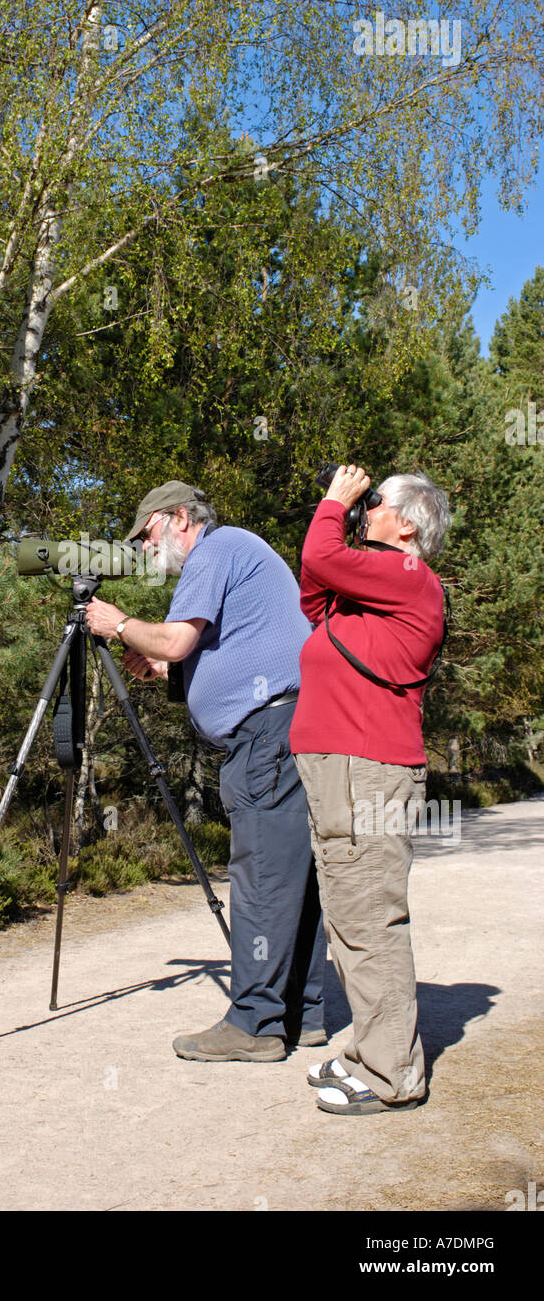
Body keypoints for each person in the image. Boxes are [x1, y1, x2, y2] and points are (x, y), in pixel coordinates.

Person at [84, 480, 326, 1062]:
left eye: (146, 535)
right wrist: (171, 674)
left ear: (177, 518)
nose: (144, 549)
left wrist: (117, 625)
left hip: (266, 737)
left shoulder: (215, 550)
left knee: (262, 877)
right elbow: (223, 655)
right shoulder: (239, 551)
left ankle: (254, 1025)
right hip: (285, 728)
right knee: (293, 876)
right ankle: (302, 1012)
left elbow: (174, 640)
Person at [289, 463, 451, 1116]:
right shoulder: (370, 591)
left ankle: (390, 1074)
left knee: (368, 919)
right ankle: (370, 1051)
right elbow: (312, 593)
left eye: (374, 499)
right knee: (350, 917)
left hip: (363, 770)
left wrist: (332, 501)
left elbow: (319, 554)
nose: (363, 504)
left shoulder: (409, 577)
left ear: (405, 523)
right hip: (338, 768)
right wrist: (337, 512)